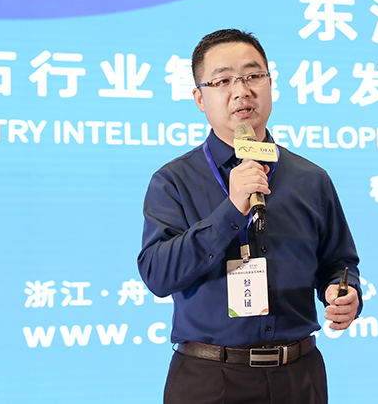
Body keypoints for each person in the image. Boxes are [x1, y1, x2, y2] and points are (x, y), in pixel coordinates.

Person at [138, 29, 362, 404]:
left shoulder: (311, 179)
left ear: (270, 84)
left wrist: (345, 292)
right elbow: (158, 275)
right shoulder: (173, 181)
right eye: (224, 80)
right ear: (200, 98)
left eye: (253, 76)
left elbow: (339, 262)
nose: (241, 90)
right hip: (210, 378)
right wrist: (231, 210)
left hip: (299, 376)